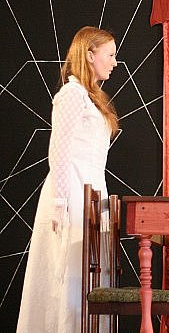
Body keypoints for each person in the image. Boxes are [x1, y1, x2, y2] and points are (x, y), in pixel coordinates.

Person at [17, 26, 118, 332]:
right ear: (90, 55)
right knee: (69, 270)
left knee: (90, 270)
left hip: (92, 189)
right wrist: (61, 202)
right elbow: (59, 151)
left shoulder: (91, 97)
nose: (114, 62)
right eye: (110, 55)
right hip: (73, 190)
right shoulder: (72, 95)